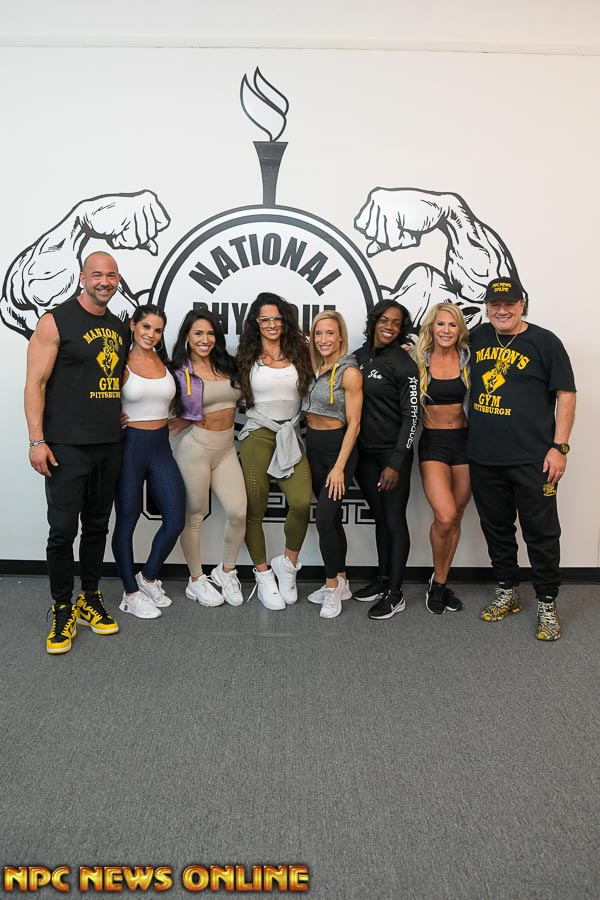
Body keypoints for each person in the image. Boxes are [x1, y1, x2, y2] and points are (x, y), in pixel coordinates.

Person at [24, 251, 129, 654]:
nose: (104, 281)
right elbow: (35, 383)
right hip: (65, 446)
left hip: (108, 443)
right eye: (97, 274)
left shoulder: (118, 327)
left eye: (111, 275)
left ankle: (89, 596)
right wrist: (37, 441)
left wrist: (114, 411)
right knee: (63, 531)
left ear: (118, 279)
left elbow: (108, 377)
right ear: (83, 278)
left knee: (97, 526)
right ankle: (62, 607)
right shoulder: (56, 321)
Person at [468, 277, 576, 641]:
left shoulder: (545, 342)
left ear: (522, 304)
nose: (502, 310)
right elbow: (440, 352)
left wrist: (560, 447)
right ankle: (508, 591)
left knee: (541, 533)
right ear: (487, 307)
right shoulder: (477, 337)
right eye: (495, 304)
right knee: (496, 528)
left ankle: (546, 602)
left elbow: (566, 394)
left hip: (534, 459)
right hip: (484, 456)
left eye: (509, 304)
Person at [236, 292, 313, 610]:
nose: (271, 324)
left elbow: (331, 366)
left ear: (285, 320)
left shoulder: (301, 352)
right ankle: (264, 574)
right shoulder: (245, 355)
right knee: (254, 510)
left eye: (276, 318)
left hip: (290, 435)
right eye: (264, 318)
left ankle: (288, 565)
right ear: (256, 323)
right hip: (257, 436)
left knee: (301, 502)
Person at [111, 305, 186, 618]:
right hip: (130, 448)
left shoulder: (165, 363)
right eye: (146, 327)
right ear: (133, 326)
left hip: (160, 447)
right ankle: (130, 593)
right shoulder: (119, 362)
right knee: (127, 521)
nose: (151, 335)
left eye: (157, 330)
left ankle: (149, 577)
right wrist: (110, 417)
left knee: (175, 518)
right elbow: (96, 397)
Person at [170, 310, 246, 607]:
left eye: (210, 333)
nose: (205, 339)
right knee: (195, 515)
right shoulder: (178, 371)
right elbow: (150, 394)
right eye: (198, 333)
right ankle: (196, 579)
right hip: (196, 448)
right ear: (187, 337)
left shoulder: (228, 364)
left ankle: (226, 572)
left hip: (226, 448)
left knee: (238, 512)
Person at [353, 299, 420, 619]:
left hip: (392, 456)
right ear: (374, 321)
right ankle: (382, 579)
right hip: (364, 455)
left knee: (394, 521)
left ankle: (395, 592)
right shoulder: (358, 357)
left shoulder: (404, 364)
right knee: (380, 517)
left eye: (396, 322)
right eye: (384, 320)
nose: (389, 326)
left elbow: (412, 417)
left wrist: (396, 462)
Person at [302, 311, 363, 618]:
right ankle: (342, 580)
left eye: (329, 333)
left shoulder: (349, 372)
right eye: (318, 333)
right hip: (313, 448)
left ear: (340, 336)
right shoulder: (317, 367)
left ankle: (331, 589)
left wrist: (339, 467)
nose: (323, 339)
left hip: (338, 451)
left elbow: (354, 424)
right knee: (333, 519)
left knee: (324, 520)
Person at [412, 302, 471, 614]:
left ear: (459, 330)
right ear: (431, 327)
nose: (446, 330)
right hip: (434, 443)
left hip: (466, 443)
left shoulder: (469, 361)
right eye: (441, 324)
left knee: (456, 516)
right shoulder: (417, 360)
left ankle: (440, 583)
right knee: (445, 516)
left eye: (452, 325)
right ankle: (439, 579)